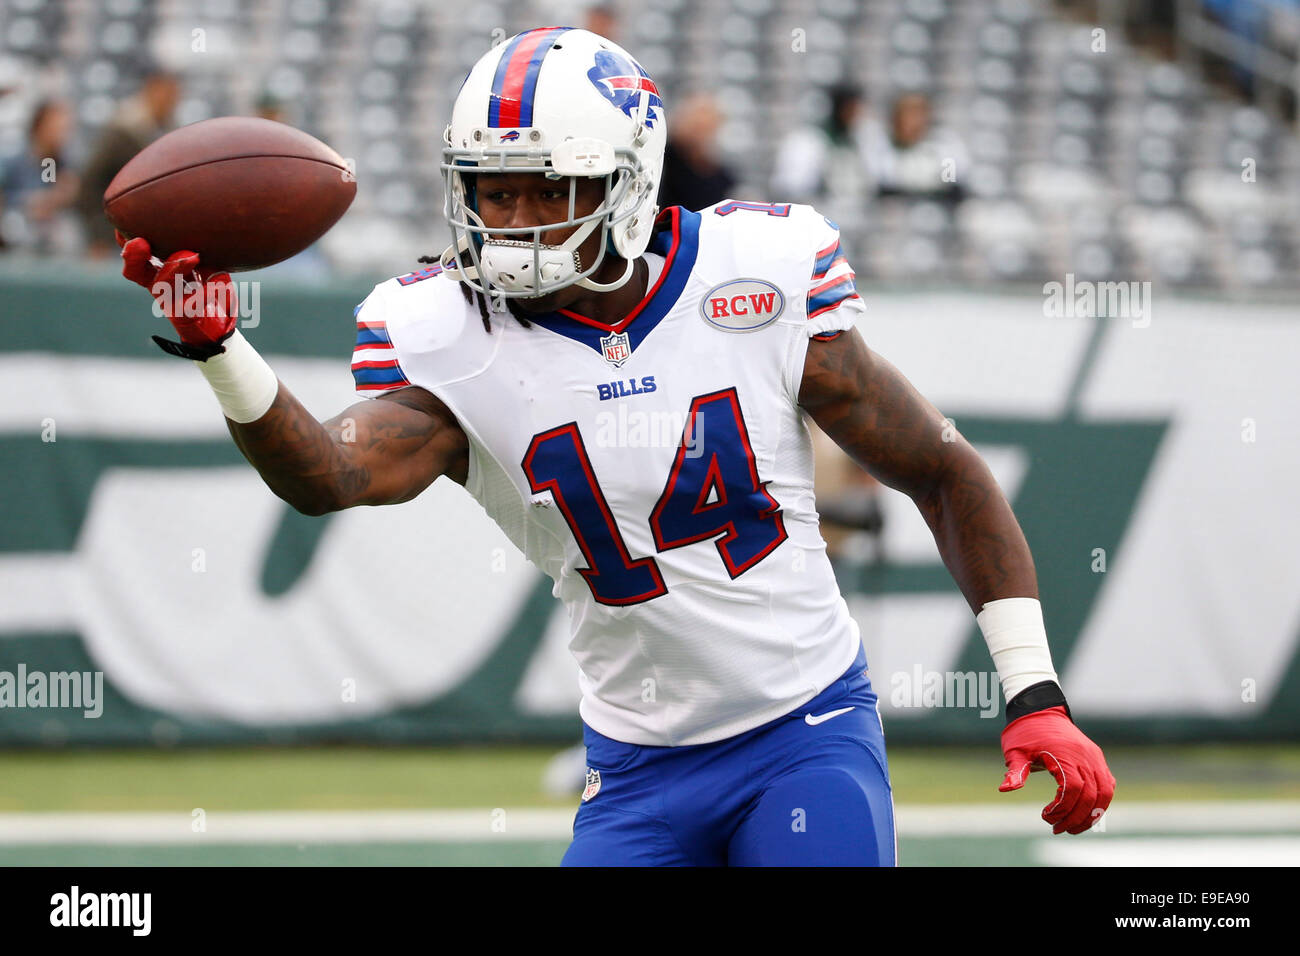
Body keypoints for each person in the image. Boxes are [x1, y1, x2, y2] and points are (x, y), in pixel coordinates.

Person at [116, 27, 1114, 866]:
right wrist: (220, 347)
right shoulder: (446, 330)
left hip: (802, 730)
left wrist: (1033, 690)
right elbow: (328, 473)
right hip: (636, 764)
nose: (507, 223)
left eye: (542, 190)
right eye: (489, 192)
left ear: (626, 186)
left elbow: (940, 468)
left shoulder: (753, 278)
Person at [76, 67, 181, 257]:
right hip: (114, 238)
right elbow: (90, 184)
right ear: (151, 91)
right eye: (167, 93)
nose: (171, 101)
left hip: (149, 238)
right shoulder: (122, 132)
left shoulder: (167, 131)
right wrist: (98, 235)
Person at [0, 98, 81, 254]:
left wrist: (62, 196)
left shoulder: (62, 163)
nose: (62, 134)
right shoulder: (15, 160)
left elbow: (54, 197)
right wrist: (29, 204)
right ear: (40, 126)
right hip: (18, 227)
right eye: (56, 128)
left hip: (51, 229)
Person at [656, 91, 736, 211]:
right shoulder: (660, 161)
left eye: (706, 127)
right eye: (696, 125)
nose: (701, 135)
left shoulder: (722, 178)